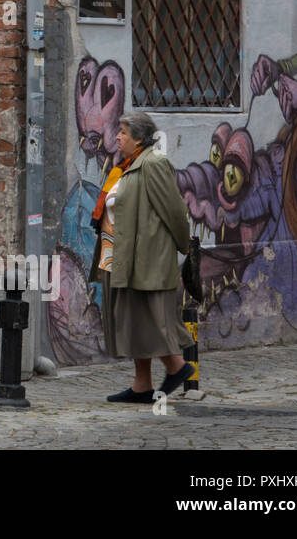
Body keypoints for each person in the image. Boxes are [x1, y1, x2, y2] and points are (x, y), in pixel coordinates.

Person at [89, 112, 195, 403]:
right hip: (118, 255)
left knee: (149, 318)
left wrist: (182, 247)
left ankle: (177, 367)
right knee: (132, 318)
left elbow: (174, 211)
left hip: (144, 257)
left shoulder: (153, 163)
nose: (118, 137)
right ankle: (142, 385)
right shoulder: (124, 166)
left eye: (123, 132)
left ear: (139, 137)